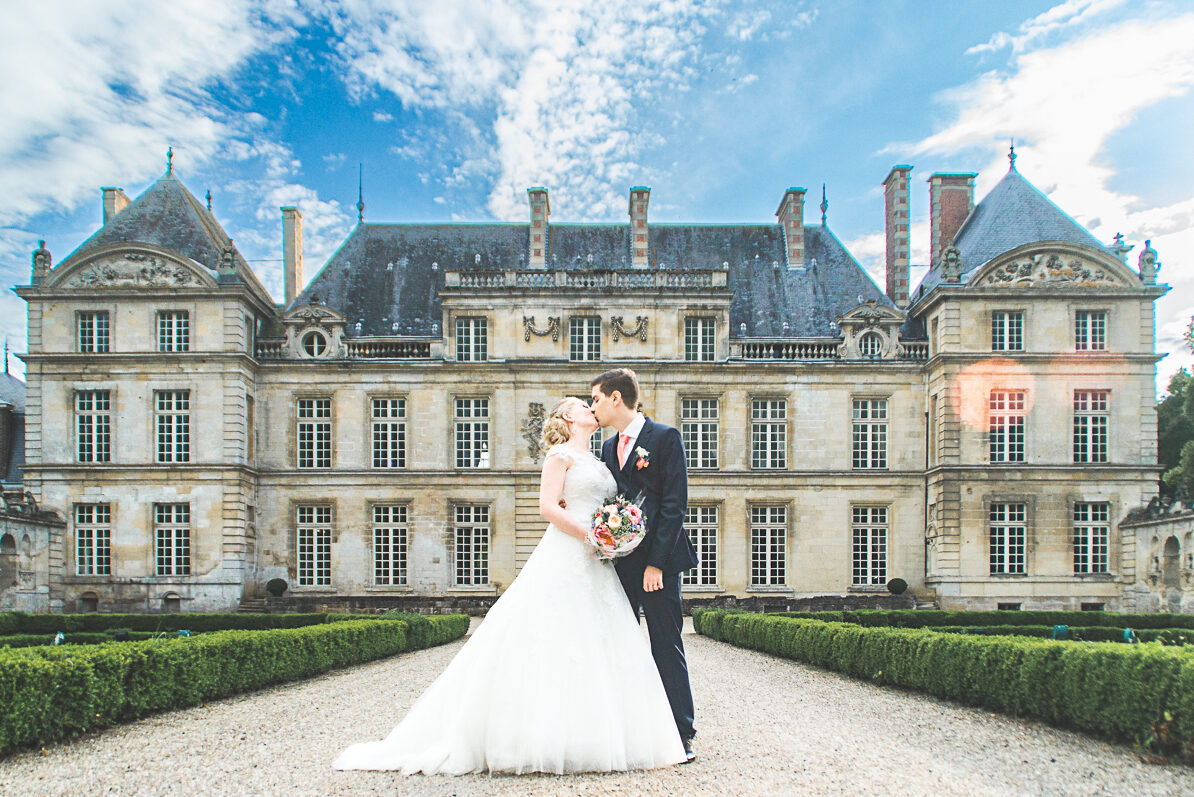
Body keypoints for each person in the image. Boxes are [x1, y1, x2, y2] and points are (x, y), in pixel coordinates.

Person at [333, 397, 686, 775]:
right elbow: (547, 508)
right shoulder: (559, 456)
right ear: (568, 416)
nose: (591, 408)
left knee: (599, 642)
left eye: (593, 401)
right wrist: (592, 535)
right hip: (571, 550)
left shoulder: (601, 457)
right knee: (547, 640)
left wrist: (615, 533)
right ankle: (537, 738)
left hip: (598, 561)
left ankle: (596, 737)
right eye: (584, 405)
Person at [589, 368, 699, 763]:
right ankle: (633, 729)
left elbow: (674, 507)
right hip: (620, 564)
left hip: (660, 564)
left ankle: (681, 732)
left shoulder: (665, 438)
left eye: (597, 399)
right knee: (621, 644)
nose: (593, 407)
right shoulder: (606, 447)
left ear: (616, 398)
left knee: (666, 645)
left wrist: (656, 565)